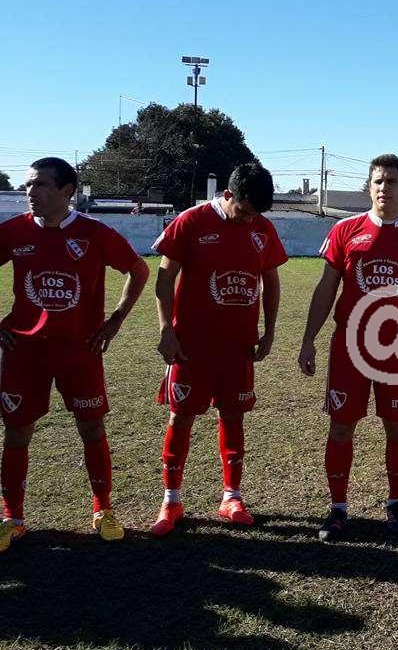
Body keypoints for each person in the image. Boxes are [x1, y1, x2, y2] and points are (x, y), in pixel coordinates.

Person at [298, 154, 398, 541]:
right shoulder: (345, 230)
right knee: (341, 426)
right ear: (370, 187)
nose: (385, 188)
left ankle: (395, 503)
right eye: (378, 181)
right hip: (349, 346)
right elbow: (326, 288)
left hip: (397, 348)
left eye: (392, 181)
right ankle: (337, 509)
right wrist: (308, 339)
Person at [0, 158, 150, 553]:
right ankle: (12, 518)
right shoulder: (13, 232)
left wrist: (115, 320)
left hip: (79, 352)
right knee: (17, 433)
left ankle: (102, 510)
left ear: (67, 191)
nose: (31, 192)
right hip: (24, 352)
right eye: (28, 185)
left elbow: (138, 270)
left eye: (42, 185)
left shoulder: (94, 234)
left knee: (91, 428)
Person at [150, 163, 289, 536]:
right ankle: (171, 500)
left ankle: (231, 496)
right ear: (228, 196)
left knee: (233, 416)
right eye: (243, 211)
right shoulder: (191, 222)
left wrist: (270, 330)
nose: (248, 220)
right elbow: (165, 276)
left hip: (237, 346)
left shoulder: (262, 228)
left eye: (255, 214)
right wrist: (166, 329)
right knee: (181, 418)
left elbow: (271, 280)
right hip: (190, 346)